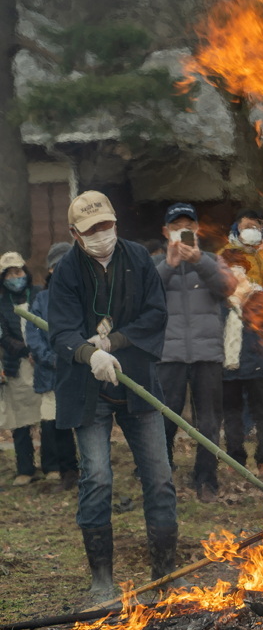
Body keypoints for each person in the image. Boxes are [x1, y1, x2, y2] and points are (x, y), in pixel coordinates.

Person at [49, 190, 177, 602]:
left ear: (115, 222)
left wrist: (115, 344)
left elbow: (156, 313)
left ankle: (164, 575)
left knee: (159, 478)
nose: (101, 234)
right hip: (88, 389)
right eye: (91, 230)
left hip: (137, 380)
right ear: (75, 233)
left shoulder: (138, 258)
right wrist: (89, 356)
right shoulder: (67, 270)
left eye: (106, 226)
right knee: (97, 478)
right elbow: (61, 331)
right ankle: (101, 578)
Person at [155, 203, 237, 503]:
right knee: (164, 418)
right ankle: (160, 475)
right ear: (166, 231)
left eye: (188, 225)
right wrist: (169, 265)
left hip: (207, 355)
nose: (182, 230)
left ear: (197, 230)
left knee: (209, 421)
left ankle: (206, 479)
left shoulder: (213, 260)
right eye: (176, 226)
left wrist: (200, 260)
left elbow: (228, 287)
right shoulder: (155, 264)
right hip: (169, 355)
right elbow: (143, 296)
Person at [221, 255, 263, 478]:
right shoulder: (219, 299)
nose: (236, 273)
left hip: (258, 366)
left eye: (239, 269)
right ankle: (235, 459)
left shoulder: (260, 296)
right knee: (232, 415)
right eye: (230, 269)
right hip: (228, 366)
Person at [25, 242, 79, 490]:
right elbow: (33, 334)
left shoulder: (84, 296)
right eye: (59, 266)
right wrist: (50, 358)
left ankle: (88, 470)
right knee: (54, 422)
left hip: (79, 370)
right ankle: (66, 470)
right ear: (51, 270)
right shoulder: (42, 299)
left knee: (84, 423)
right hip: (50, 373)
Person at [0, 252, 43, 485]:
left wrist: (39, 350)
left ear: (24, 271)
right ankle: (25, 468)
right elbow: (3, 335)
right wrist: (25, 351)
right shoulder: (1, 303)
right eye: (9, 274)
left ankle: (53, 464)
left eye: (17, 272)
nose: (14, 277)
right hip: (16, 365)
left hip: (43, 362)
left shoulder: (39, 295)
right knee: (20, 420)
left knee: (48, 416)